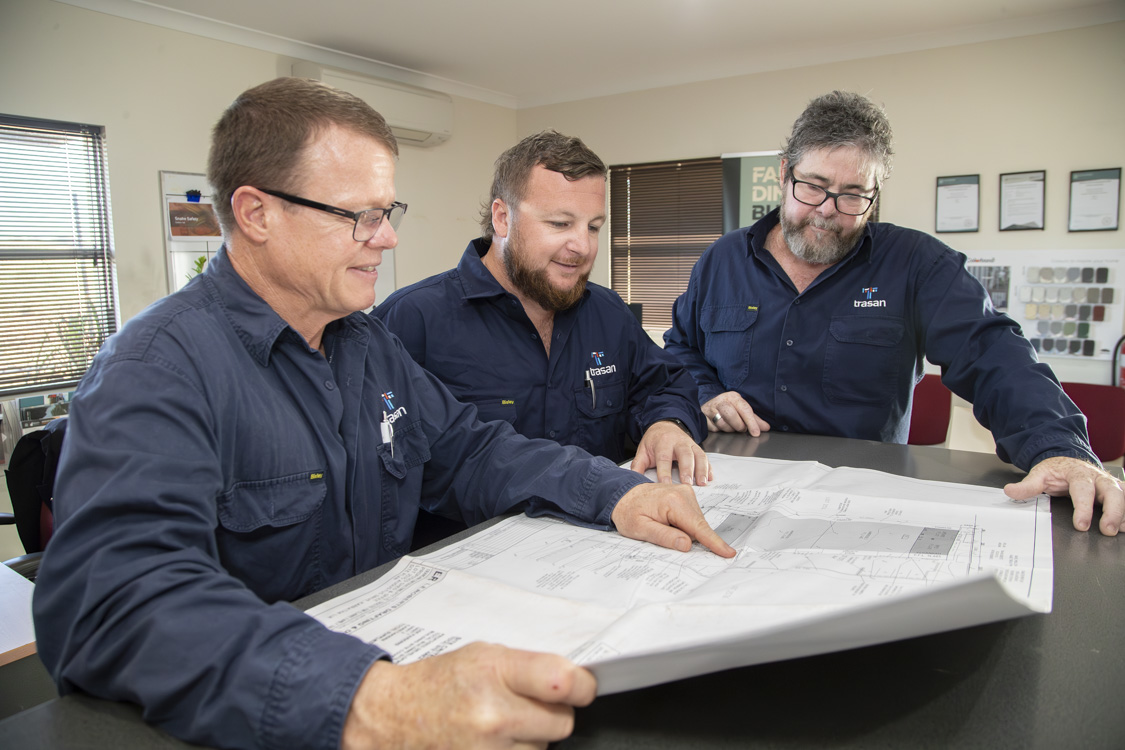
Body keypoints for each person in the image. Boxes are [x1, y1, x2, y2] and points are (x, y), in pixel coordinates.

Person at [32, 77, 735, 750]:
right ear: (256, 214)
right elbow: (114, 606)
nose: (388, 238)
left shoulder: (364, 343)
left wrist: (616, 494)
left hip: (393, 648)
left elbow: (471, 451)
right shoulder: (157, 369)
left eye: (386, 213)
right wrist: (372, 701)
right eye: (359, 217)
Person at [665, 90, 1124, 537]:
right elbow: (681, 348)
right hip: (728, 485)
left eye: (852, 195)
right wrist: (706, 392)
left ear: (875, 193)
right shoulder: (721, 261)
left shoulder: (918, 264)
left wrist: (1059, 449)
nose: (826, 211)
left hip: (860, 503)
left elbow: (991, 352)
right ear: (785, 173)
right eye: (813, 187)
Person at [375, 131, 710, 495]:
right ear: (502, 218)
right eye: (560, 223)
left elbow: (666, 384)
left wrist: (667, 424)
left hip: (608, 524)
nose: (583, 246)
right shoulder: (412, 320)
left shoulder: (607, 312)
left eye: (593, 227)